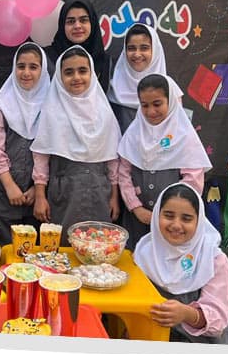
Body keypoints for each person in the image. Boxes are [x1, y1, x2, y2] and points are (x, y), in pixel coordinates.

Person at [30, 46, 121, 242]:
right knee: (62, 246)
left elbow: (113, 160)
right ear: (59, 76)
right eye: (69, 72)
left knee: (98, 248)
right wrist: (40, 196)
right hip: (63, 193)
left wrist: (114, 196)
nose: (76, 77)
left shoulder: (104, 113)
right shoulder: (52, 112)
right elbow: (41, 158)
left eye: (82, 70)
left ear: (92, 74)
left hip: (100, 193)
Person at [133, 182, 228, 344]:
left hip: (205, 343)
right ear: (157, 216)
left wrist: (187, 314)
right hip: (155, 335)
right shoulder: (144, 253)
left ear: (199, 222)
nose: (176, 225)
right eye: (168, 215)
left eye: (186, 219)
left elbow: (218, 322)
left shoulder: (214, 260)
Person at [117, 74, 211, 250]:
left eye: (157, 104)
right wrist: (136, 208)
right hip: (138, 219)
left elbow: (192, 182)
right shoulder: (134, 134)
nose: (151, 111)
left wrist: (168, 213)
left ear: (171, 101)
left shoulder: (185, 136)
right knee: (137, 257)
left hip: (172, 222)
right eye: (145, 105)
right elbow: (123, 174)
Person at [0, 42, 50, 245]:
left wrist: (37, 189)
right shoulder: (2, 104)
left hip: (38, 198)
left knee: (35, 254)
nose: (26, 73)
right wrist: (10, 186)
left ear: (43, 70)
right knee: (4, 251)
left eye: (33, 67)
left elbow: (52, 151)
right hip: (3, 194)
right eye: (21, 66)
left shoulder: (52, 105)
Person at [107, 23, 167, 133]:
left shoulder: (170, 92)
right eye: (131, 48)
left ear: (155, 51)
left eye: (144, 48)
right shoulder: (111, 91)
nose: (137, 54)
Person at [49, 0, 111, 93]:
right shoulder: (47, 59)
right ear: (62, 25)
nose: (77, 26)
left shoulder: (106, 62)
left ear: (92, 23)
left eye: (83, 20)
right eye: (71, 21)